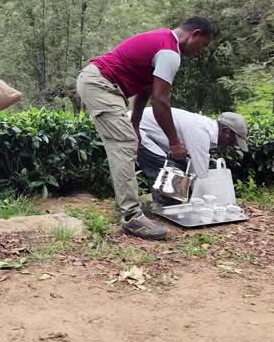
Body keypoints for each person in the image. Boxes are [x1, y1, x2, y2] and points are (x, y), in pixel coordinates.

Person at [75, 17, 215, 239]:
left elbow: (145, 92)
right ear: (195, 34)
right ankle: (132, 217)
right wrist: (174, 142)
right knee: (123, 145)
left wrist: (135, 125)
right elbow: (161, 101)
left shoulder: (162, 42)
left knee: (128, 141)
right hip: (101, 85)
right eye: (204, 44)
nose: (201, 51)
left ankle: (133, 206)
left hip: (105, 86)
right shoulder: (170, 52)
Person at [136, 107, 248, 211]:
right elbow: (201, 174)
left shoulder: (206, 129)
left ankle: (164, 204)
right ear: (225, 131)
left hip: (150, 132)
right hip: (137, 128)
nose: (232, 145)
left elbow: (193, 167)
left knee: (178, 170)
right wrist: (212, 201)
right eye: (233, 140)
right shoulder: (201, 131)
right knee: (171, 172)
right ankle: (162, 208)